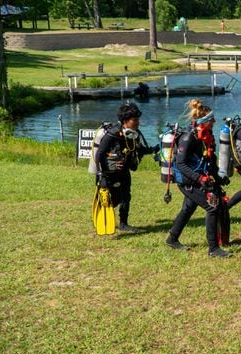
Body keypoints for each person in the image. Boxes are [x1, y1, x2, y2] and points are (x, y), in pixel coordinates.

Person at [166, 99, 231, 257]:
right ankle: (213, 249)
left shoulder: (206, 136)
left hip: (199, 178)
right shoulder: (188, 138)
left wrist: (218, 177)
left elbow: (209, 160)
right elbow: (180, 164)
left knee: (188, 208)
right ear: (204, 121)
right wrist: (200, 179)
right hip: (188, 181)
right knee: (212, 206)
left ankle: (172, 239)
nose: (215, 121)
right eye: (212, 119)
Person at [94, 102, 159, 233]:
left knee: (126, 197)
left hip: (124, 171)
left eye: (138, 120)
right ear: (125, 121)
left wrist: (153, 149)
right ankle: (105, 220)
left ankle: (124, 223)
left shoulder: (134, 134)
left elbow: (139, 150)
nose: (138, 123)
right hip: (109, 172)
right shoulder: (112, 134)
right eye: (134, 120)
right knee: (111, 198)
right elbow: (99, 154)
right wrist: (102, 175)